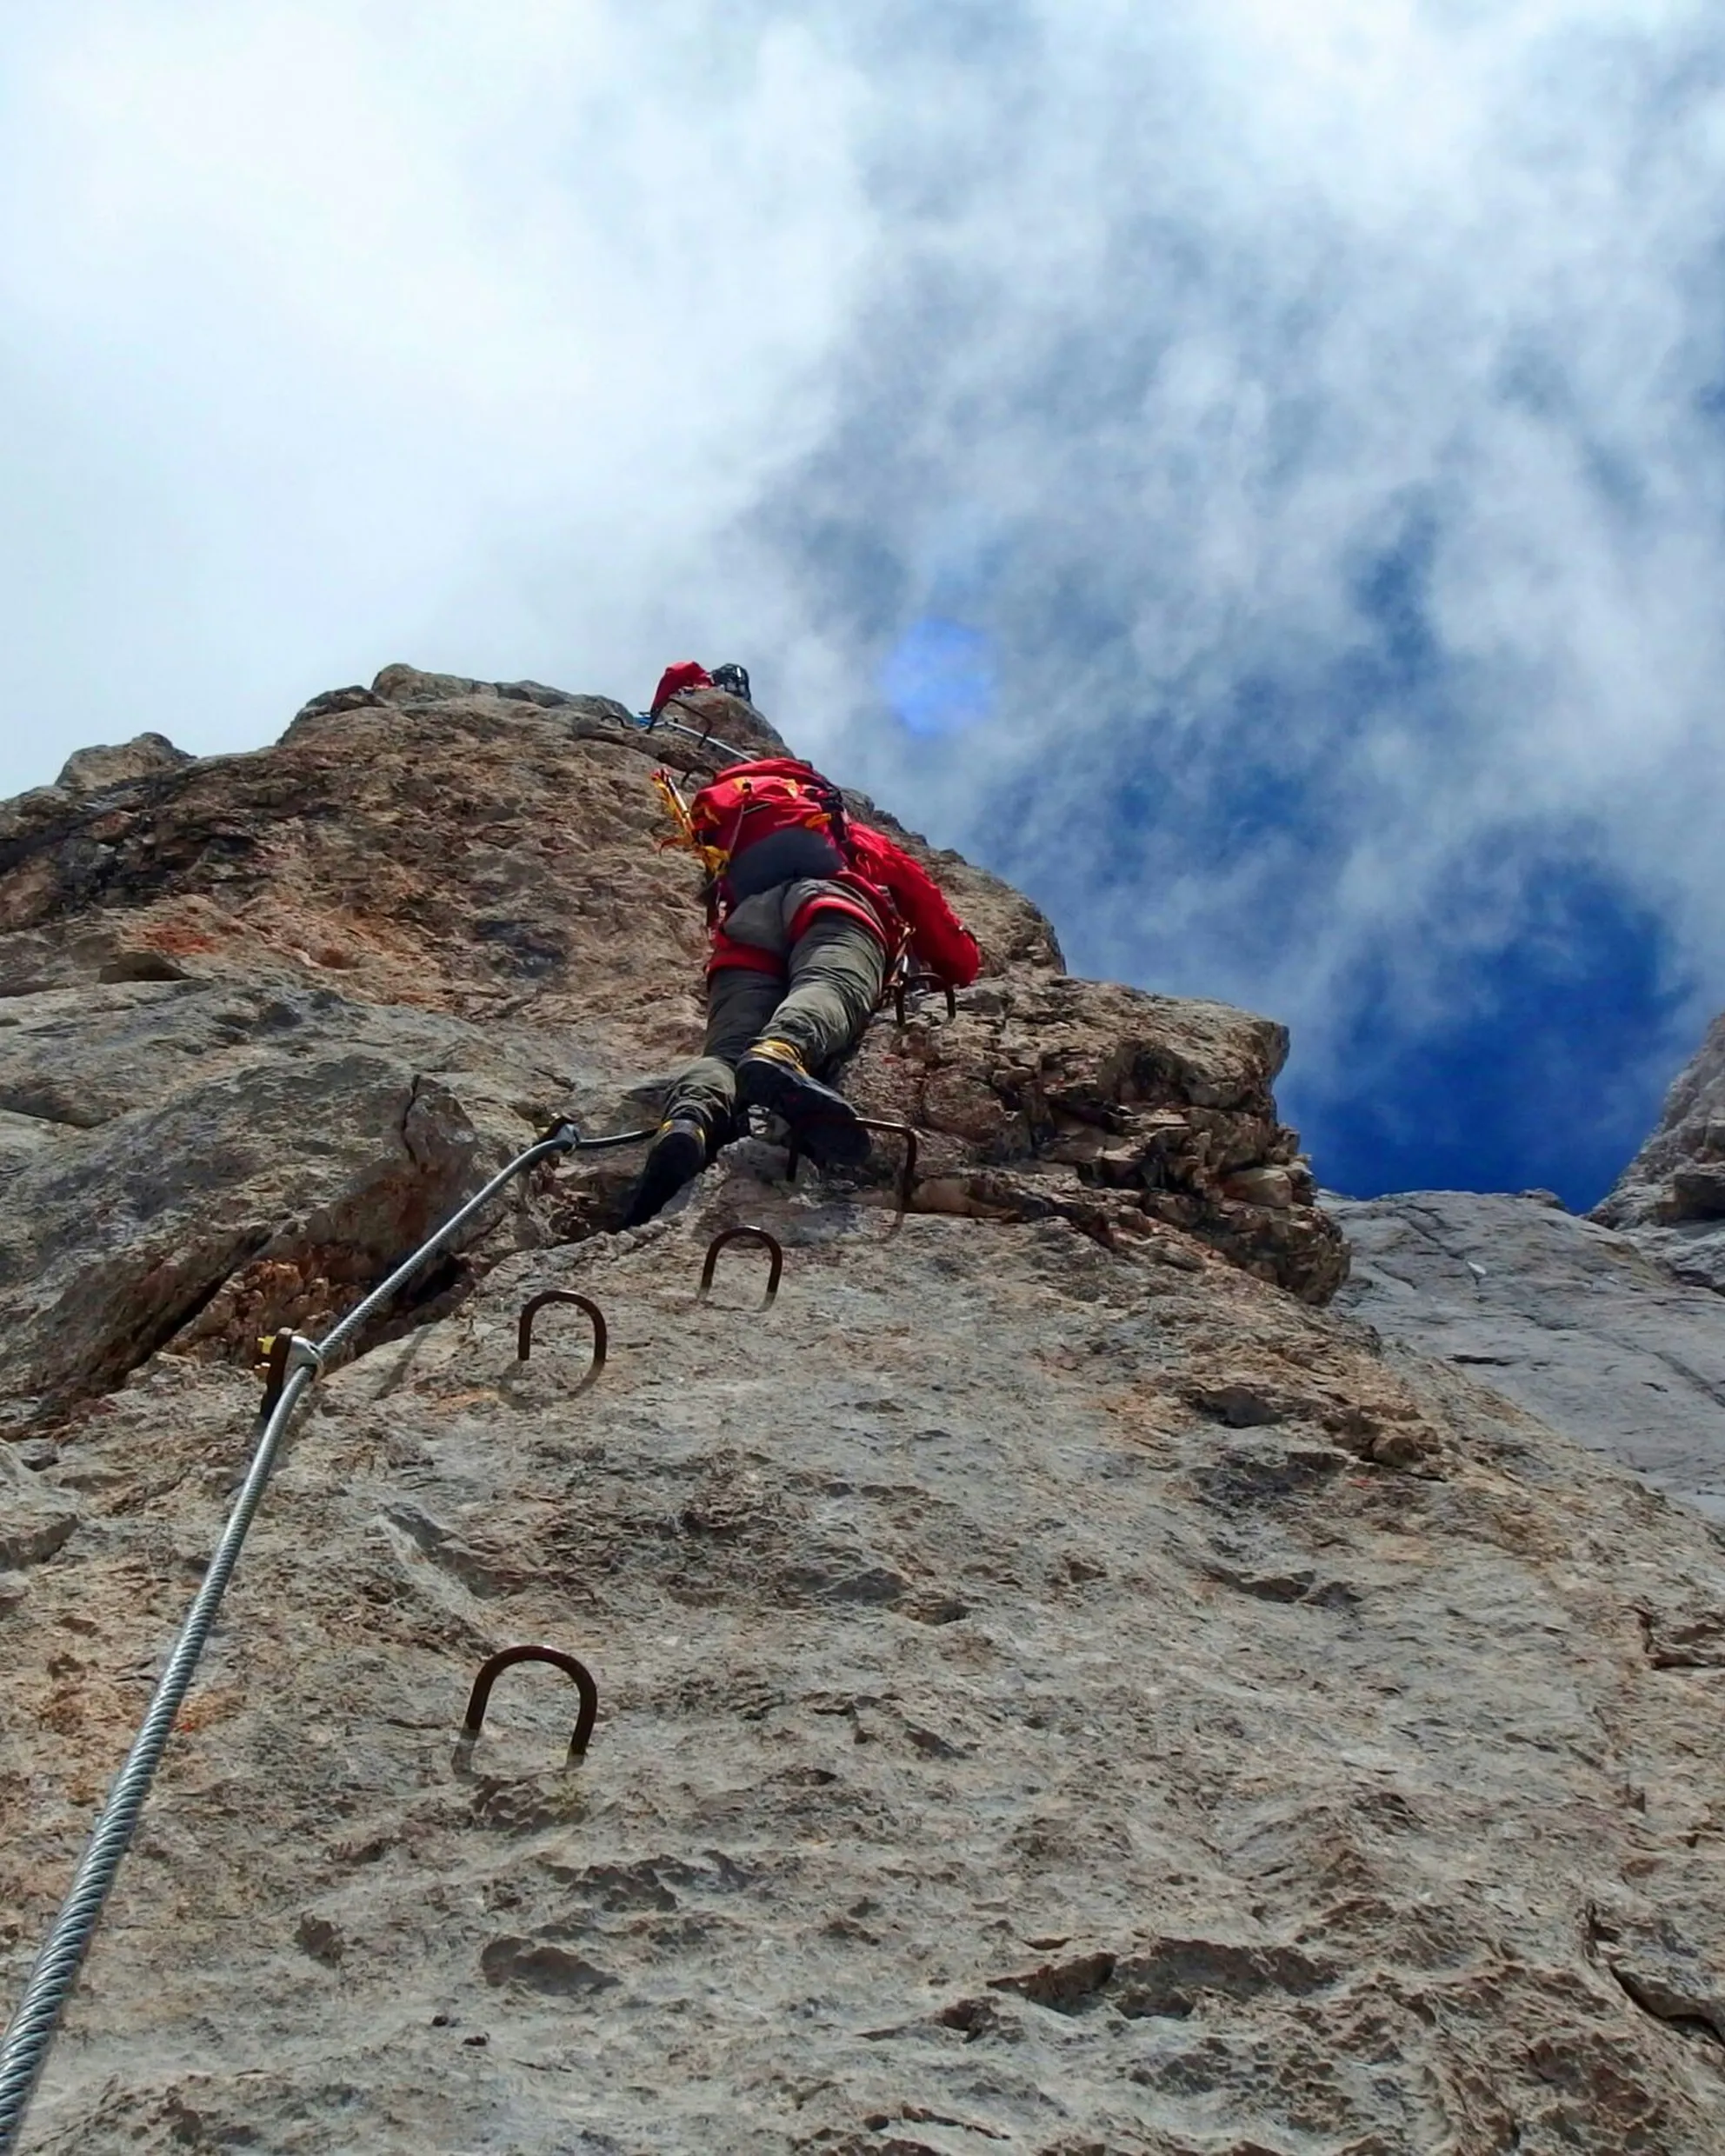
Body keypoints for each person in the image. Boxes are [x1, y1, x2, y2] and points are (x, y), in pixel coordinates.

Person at [623, 672, 981, 1226]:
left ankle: (688, 1123)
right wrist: (962, 964)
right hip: (828, 904)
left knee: (722, 1053)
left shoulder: (730, 828)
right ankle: (781, 1054)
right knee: (829, 984)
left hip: (745, 929)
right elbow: (919, 900)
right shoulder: (839, 827)